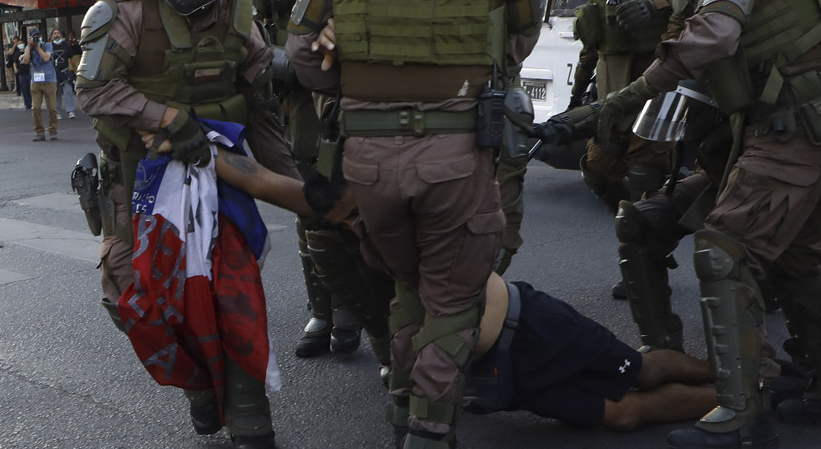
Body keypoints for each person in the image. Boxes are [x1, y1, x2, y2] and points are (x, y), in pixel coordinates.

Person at [587, 0, 821, 448]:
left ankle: (744, 415)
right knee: (792, 259)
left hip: (797, 123)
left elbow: (712, 35)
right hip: (801, 119)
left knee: (726, 251)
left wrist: (626, 98)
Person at [286, 0, 543, 445]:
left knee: (407, 285)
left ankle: (403, 404)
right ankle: (428, 429)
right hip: (455, 152)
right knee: (452, 299)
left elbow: (300, 56)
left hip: (367, 158)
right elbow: (518, 43)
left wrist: (349, 66)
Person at [179, 144, 722, 433]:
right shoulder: (347, 211)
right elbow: (258, 179)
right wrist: (189, 137)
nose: (358, 223)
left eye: (358, 211)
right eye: (346, 219)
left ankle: (741, 389)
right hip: (492, 362)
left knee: (643, 371)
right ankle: (736, 392)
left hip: (532, 324)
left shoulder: (421, 205)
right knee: (623, 414)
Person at [75, 0, 293, 449]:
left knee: (231, 294)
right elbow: (93, 90)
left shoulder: (239, 14)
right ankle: (198, 387)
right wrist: (170, 119)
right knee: (127, 294)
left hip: (219, 180)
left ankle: (250, 418)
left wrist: (295, 185)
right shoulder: (124, 7)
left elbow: (261, 104)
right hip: (138, 180)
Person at [240, 0, 387, 362]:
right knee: (312, 204)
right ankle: (322, 309)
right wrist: (296, 64)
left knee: (354, 203)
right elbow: (247, 43)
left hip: (349, 91)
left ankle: (351, 310)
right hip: (296, 102)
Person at [568, 0, 677, 300]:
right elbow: (593, 36)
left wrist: (655, 6)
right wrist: (579, 89)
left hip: (654, 79)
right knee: (599, 168)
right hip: (612, 84)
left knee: (644, 175)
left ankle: (646, 264)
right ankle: (650, 229)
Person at [21, 29, 57, 140]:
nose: (36, 39)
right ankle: (39, 132)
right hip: (36, 81)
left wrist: (37, 47)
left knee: (52, 108)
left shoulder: (47, 45)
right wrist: (29, 47)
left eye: (38, 36)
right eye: (34, 37)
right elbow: (25, 61)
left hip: (49, 80)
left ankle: (53, 130)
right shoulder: (29, 48)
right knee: (36, 108)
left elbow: (46, 57)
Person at [49, 29, 75, 119]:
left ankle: (70, 111)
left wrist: (75, 70)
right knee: (56, 93)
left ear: (61, 35)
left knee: (68, 91)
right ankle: (57, 112)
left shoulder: (66, 45)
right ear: (52, 36)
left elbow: (72, 58)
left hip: (65, 71)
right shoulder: (49, 47)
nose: (56, 35)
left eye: (58, 33)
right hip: (54, 72)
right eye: (55, 33)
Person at [13, 37, 32, 110]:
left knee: (30, 89)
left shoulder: (28, 51)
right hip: (21, 73)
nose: (20, 44)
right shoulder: (17, 54)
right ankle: (27, 104)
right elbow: (15, 62)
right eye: (19, 43)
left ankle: (32, 102)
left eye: (21, 43)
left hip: (29, 72)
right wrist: (15, 68)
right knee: (24, 89)